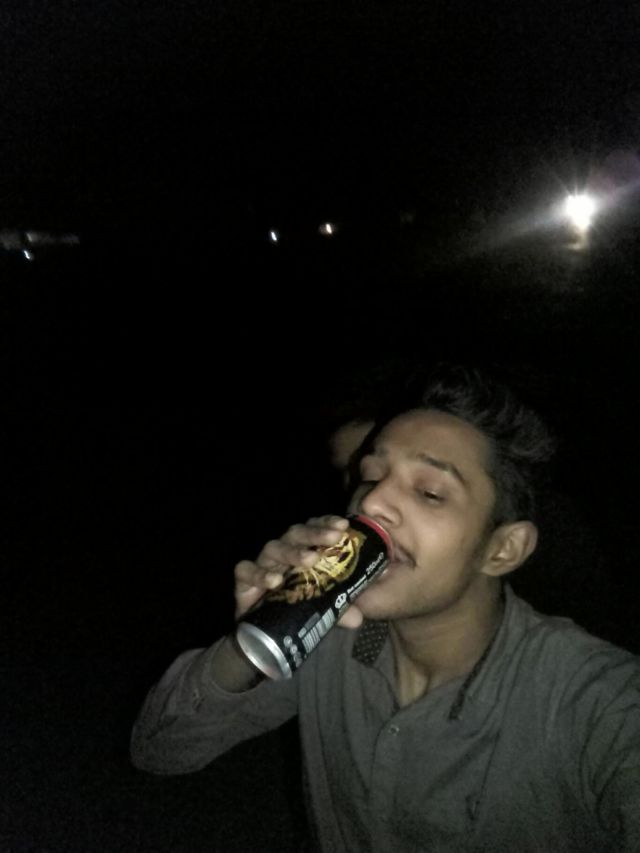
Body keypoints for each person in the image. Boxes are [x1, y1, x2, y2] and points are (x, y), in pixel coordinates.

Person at [130, 364, 640, 852]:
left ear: (502, 550)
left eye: (430, 492)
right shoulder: (330, 636)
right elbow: (159, 751)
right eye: (370, 476)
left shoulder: (592, 698)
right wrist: (260, 634)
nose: (370, 504)